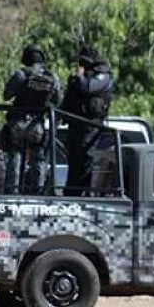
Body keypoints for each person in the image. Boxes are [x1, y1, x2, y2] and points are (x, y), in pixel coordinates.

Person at [1, 45, 62, 194]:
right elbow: (58, 99)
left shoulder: (21, 74)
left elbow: (6, 95)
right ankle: (37, 192)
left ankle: (13, 191)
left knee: (16, 154)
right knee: (38, 158)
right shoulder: (51, 76)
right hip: (37, 125)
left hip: (18, 123)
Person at [61, 45, 114, 196]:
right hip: (76, 125)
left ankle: (84, 193)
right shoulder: (81, 77)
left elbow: (89, 87)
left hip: (91, 126)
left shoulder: (102, 76)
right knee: (74, 162)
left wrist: (80, 77)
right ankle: (71, 193)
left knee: (86, 160)